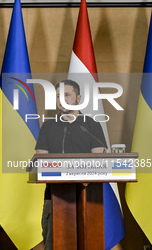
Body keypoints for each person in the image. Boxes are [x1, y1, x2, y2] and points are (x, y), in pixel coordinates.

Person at [35, 79, 107, 250]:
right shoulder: (48, 126)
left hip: (87, 196)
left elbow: (99, 157)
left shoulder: (91, 125)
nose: (62, 99)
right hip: (54, 197)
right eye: (58, 96)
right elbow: (41, 159)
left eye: (67, 95)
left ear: (78, 98)